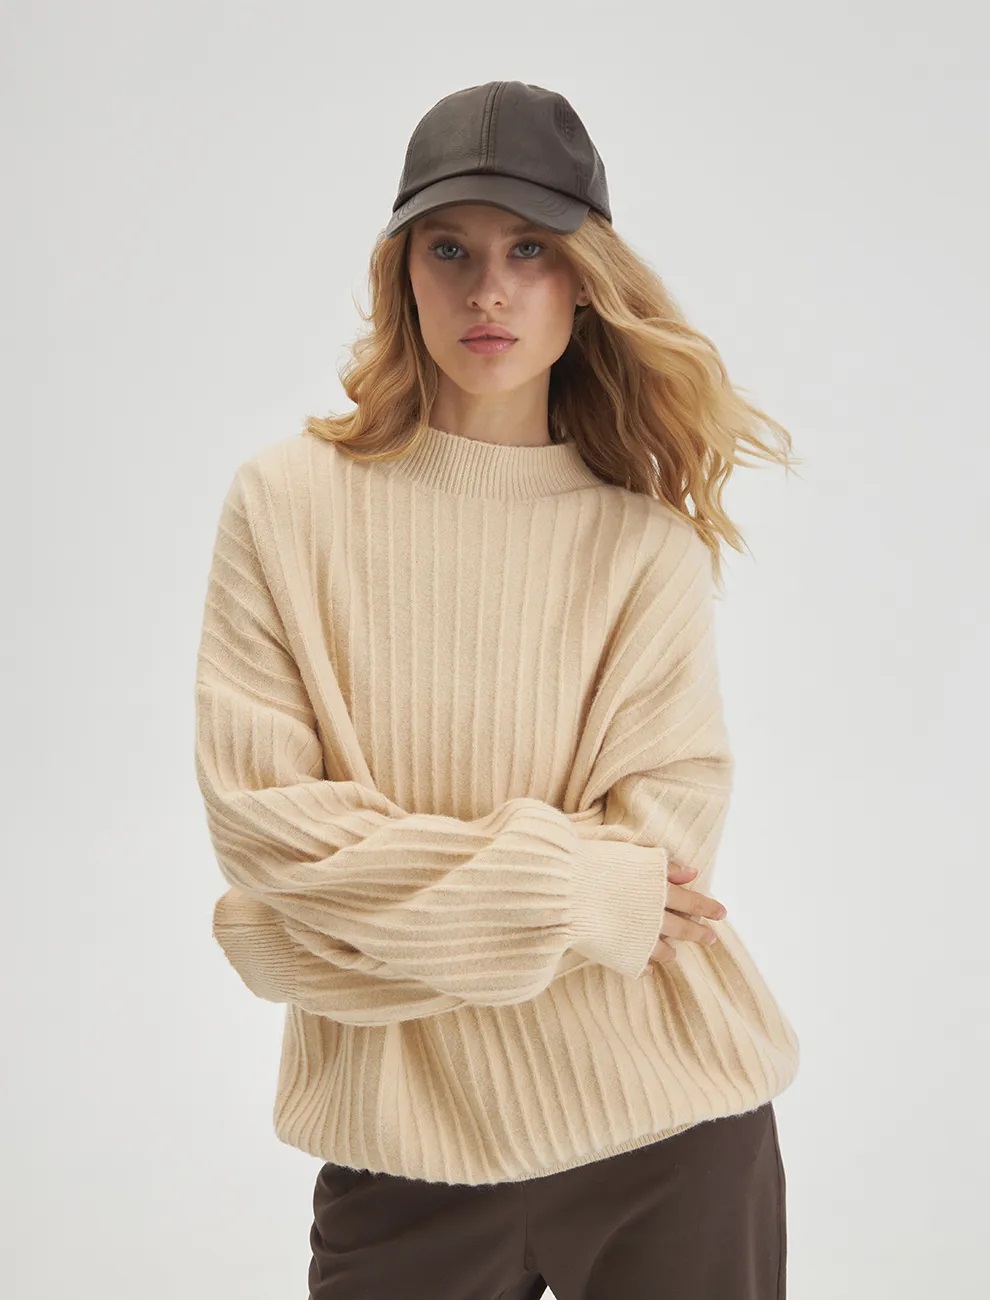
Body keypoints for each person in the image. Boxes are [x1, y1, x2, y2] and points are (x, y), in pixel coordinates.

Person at [194, 79, 801, 1300]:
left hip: (668, 1133)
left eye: (530, 249)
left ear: (583, 281)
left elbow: (658, 865)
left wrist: (312, 936)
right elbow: (267, 835)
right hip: (397, 1154)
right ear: (402, 275)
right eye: (451, 249)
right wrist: (575, 894)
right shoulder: (285, 507)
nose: (489, 290)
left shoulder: (644, 549)